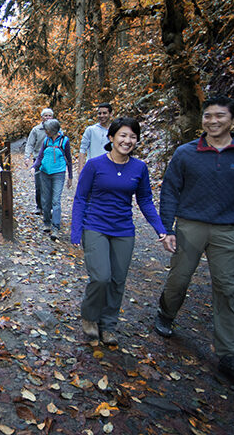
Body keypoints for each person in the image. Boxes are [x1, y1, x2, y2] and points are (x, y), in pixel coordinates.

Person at [153, 96, 234, 380]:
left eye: (220, 116)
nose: (213, 121)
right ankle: (165, 314)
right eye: (208, 116)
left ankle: (229, 354)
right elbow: (170, 190)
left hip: (227, 230)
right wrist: (166, 228)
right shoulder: (186, 153)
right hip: (190, 225)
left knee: (226, 288)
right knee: (180, 278)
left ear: (232, 119)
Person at [70, 117, 167, 345]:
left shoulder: (139, 168)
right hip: (95, 227)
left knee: (117, 280)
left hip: (123, 229)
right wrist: (76, 231)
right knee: (101, 277)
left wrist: (160, 229)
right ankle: (90, 318)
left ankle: (109, 324)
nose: (127, 140)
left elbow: (145, 200)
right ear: (111, 137)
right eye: (123, 135)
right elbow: (80, 198)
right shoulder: (95, 165)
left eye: (133, 136)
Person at [32, 118, 73, 233]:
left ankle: (56, 227)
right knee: (46, 199)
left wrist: (70, 177)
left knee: (56, 200)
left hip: (59, 174)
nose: (45, 132)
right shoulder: (46, 140)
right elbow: (40, 156)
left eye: (47, 130)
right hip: (44, 173)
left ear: (53, 130)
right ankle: (46, 222)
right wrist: (34, 167)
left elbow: (69, 159)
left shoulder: (64, 141)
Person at [24, 108, 54, 214]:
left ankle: (49, 208)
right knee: (39, 185)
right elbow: (30, 144)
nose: (48, 117)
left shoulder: (57, 130)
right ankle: (39, 206)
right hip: (38, 160)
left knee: (51, 184)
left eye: (50, 115)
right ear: (42, 117)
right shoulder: (36, 130)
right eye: (45, 115)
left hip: (52, 160)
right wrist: (27, 157)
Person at [77, 103, 113, 174]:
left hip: (109, 167)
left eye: (104, 113)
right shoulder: (90, 130)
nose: (102, 116)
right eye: (99, 113)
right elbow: (83, 149)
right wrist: (80, 168)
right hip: (92, 167)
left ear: (111, 114)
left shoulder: (115, 131)